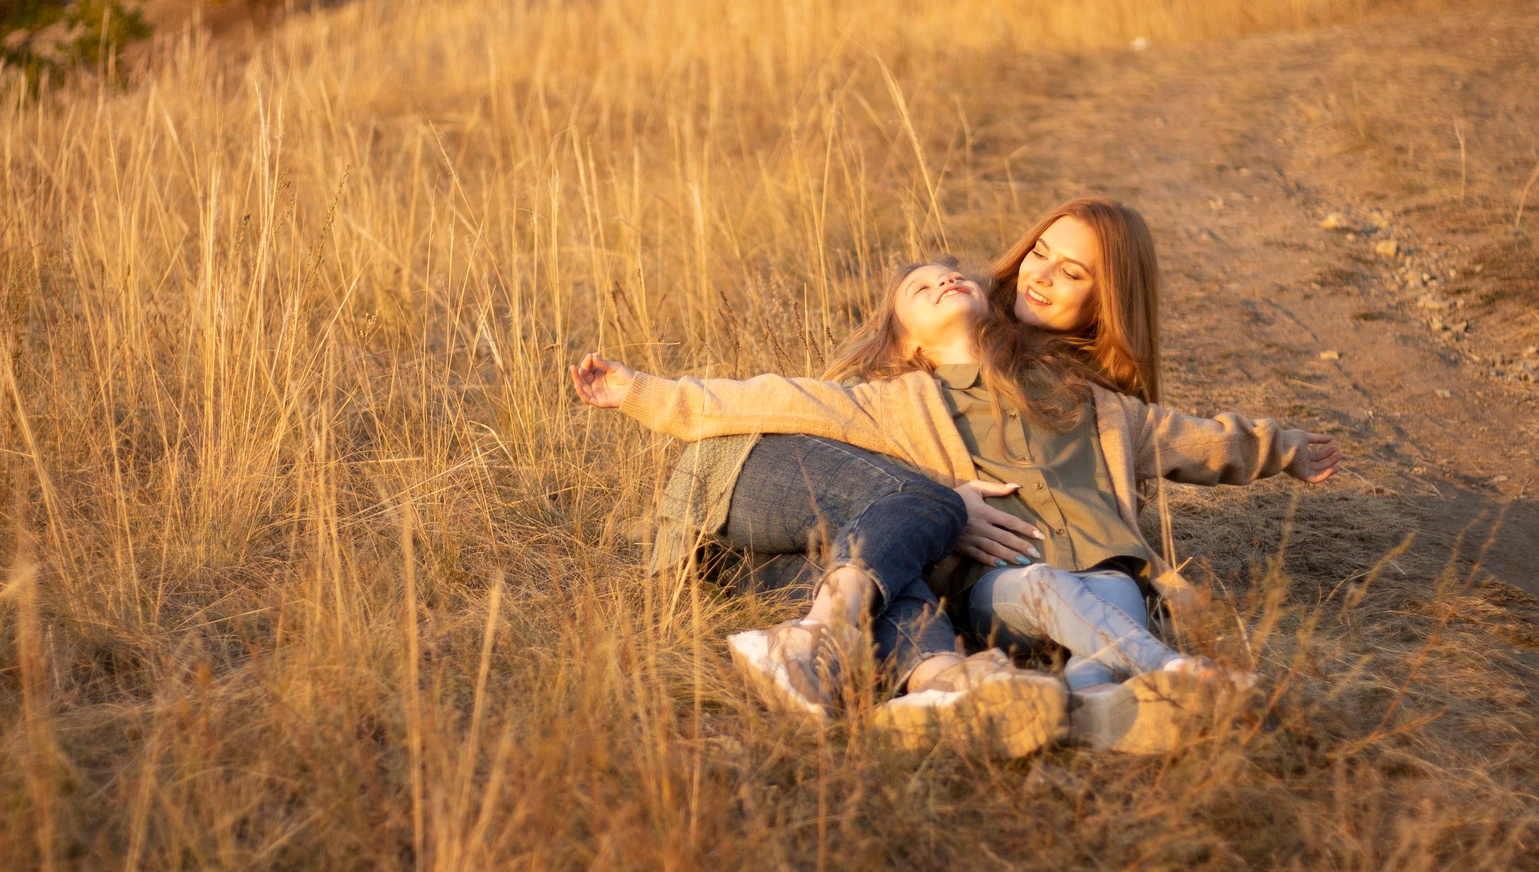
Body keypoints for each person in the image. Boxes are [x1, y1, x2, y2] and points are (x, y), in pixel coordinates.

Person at [572, 199, 1340, 748]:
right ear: (903, 341)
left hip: (1110, 574)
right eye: (920, 287)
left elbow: (1201, 441)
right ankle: (1176, 671)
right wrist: (638, 390)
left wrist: (1284, 448)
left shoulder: (1100, 405)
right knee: (1050, 590)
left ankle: (1083, 715)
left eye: (953, 275)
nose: (943, 281)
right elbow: (772, 397)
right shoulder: (903, 404)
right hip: (1006, 582)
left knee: (1095, 661)